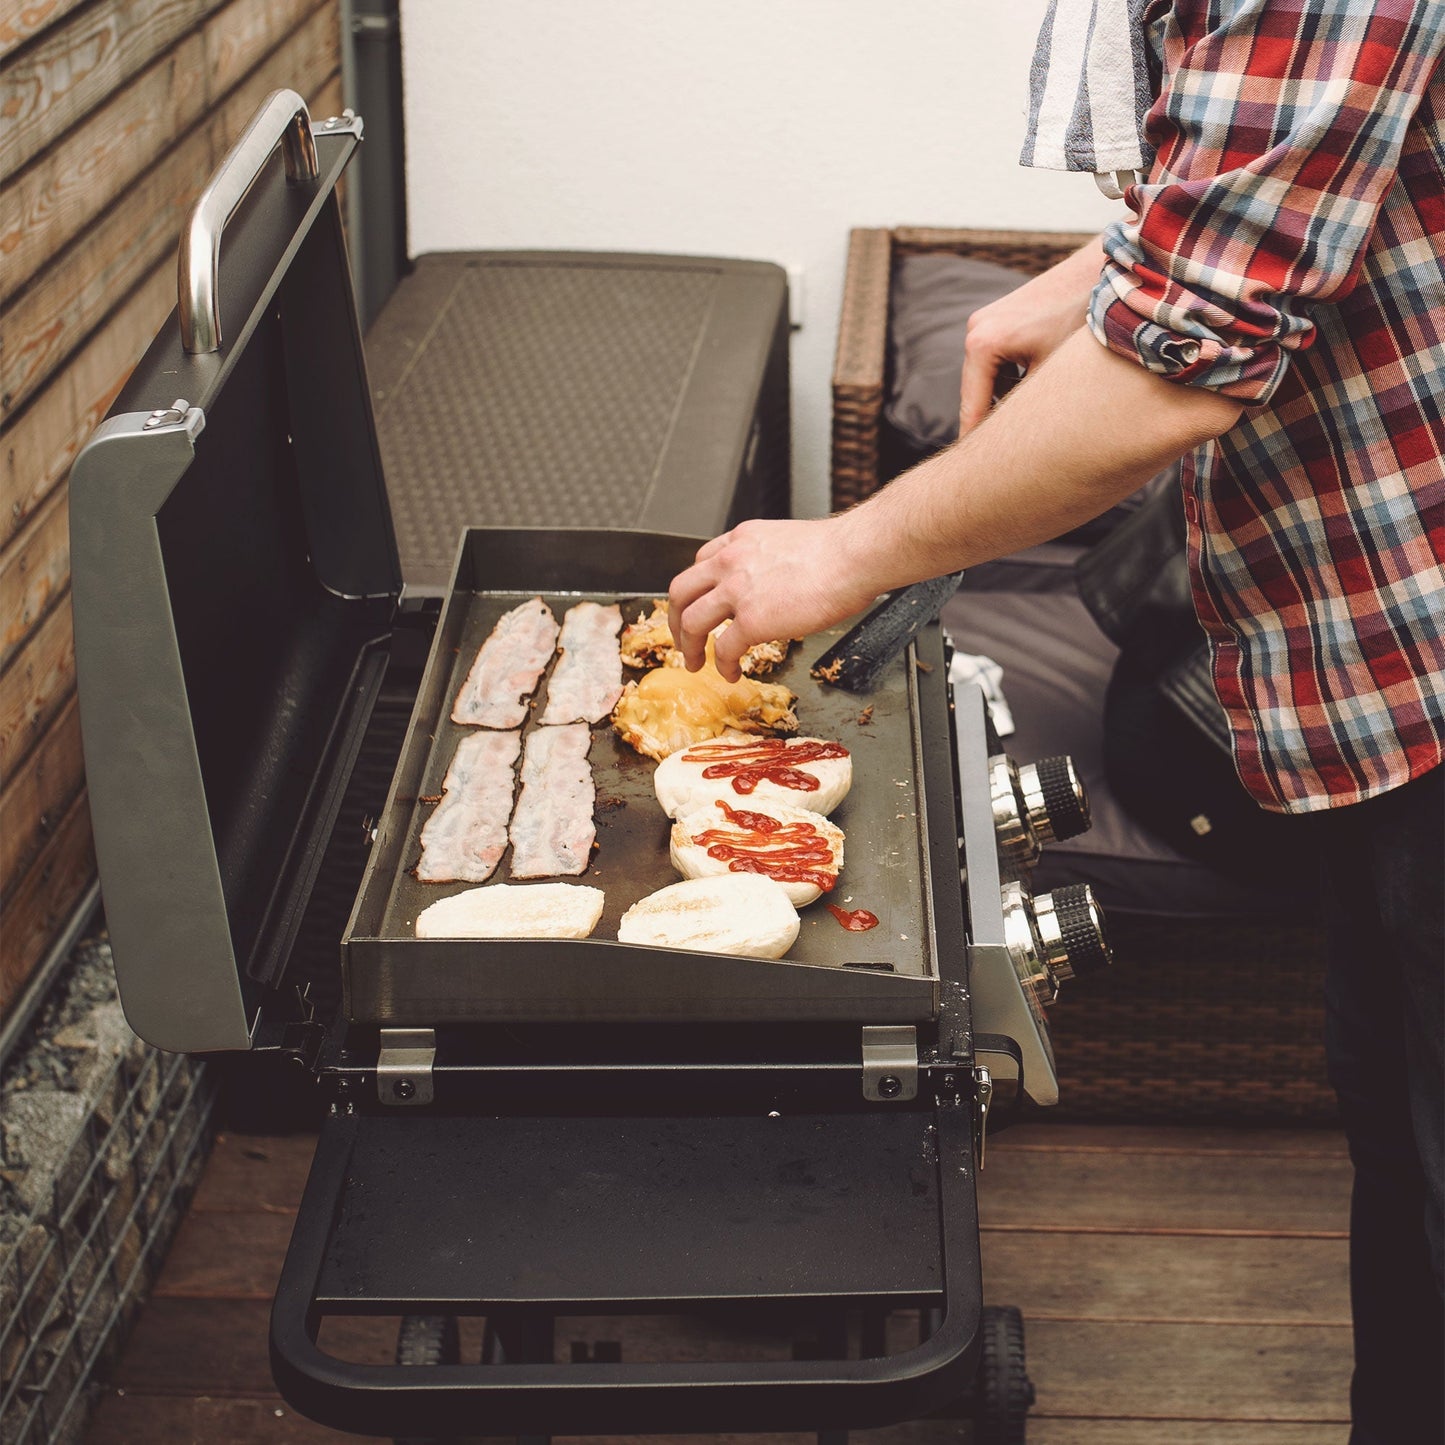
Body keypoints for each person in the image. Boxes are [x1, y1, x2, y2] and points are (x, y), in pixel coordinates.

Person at [668, 2, 1444, 1441]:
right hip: (1381, 675)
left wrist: (845, 551)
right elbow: (1340, 158)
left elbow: (1176, 362)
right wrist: (1109, 271)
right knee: (1400, 1146)